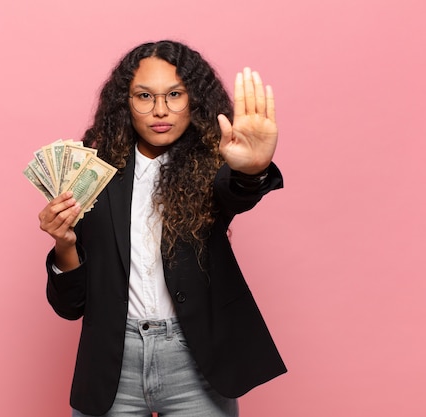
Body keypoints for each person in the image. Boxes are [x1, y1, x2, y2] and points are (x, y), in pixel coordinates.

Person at [38, 40, 286, 417]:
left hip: (196, 361)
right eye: (144, 96)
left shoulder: (211, 165)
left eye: (174, 95)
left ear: (195, 100)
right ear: (125, 102)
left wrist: (250, 169)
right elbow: (70, 307)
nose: (160, 110)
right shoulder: (92, 173)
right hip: (112, 365)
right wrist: (64, 243)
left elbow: (237, 193)